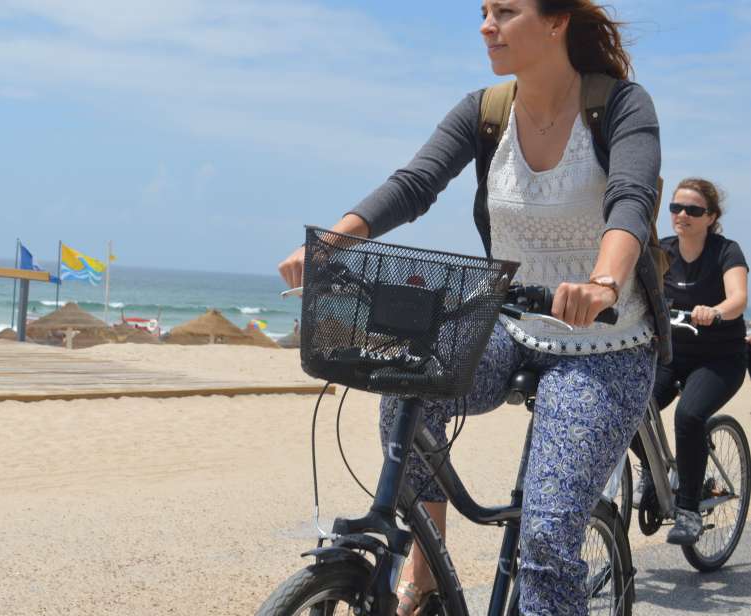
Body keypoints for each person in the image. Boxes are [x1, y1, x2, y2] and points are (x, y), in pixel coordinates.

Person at [277, 2, 666, 614]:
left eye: (506, 11)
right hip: (511, 324)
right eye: (484, 11)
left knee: (545, 543)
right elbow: (415, 183)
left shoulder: (621, 106)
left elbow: (631, 199)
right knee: (407, 386)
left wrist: (604, 282)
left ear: (557, 20)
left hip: (606, 343)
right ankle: (425, 563)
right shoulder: (485, 113)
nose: (487, 25)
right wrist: (336, 239)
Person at [630, 178, 748, 545]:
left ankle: (689, 511)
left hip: (720, 359)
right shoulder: (662, 251)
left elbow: (738, 298)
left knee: (689, 416)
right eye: (676, 208)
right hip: (671, 355)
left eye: (694, 210)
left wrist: (714, 311)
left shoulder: (725, 251)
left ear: (711, 217)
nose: (682, 215)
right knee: (628, 404)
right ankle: (653, 471)